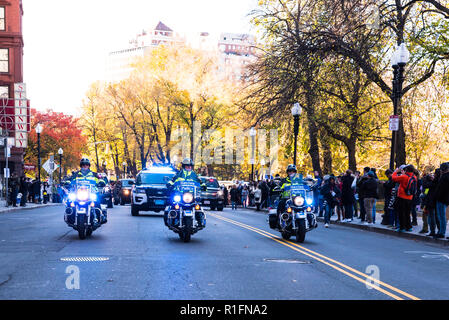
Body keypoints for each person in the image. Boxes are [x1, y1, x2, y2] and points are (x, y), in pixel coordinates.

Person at [166, 158, 206, 226]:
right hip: (180, 194)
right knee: (173, 204)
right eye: (187, 166)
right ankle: (172, 219)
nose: (189, 167)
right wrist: (169, 184)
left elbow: (200, 182)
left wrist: (203, 186)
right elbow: (172, 180)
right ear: (184, 166)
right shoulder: (179, 174)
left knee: (197, 205)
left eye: (190, 166)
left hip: (191, 195)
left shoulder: (194, 175)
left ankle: (200, 220)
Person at [69, 158, 107, 224]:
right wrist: (67, 183)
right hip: (78, 193)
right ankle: (69, 216)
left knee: (97, 202)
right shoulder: (76, 174)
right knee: (70, 202)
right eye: (83, 164)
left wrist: (102, 182)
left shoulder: (94, 174)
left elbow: (102, 179)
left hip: (92, 192)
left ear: (89, 165)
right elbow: (69, 180)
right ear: (81, 165)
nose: (85, 166)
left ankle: (100, 217)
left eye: (86, 164)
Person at [392, 164, 417, 232]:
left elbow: (394, 178)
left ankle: (402, 227)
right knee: (407, 212)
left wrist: (395, 171)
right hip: (410, 197)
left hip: (402, 196)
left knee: (401, 213)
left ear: (406, 170)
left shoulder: (404, 177)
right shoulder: (414, 177)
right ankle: (409, 227)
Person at [433, 162, 449, 239]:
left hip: (441, 199)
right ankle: (441, 232)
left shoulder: (444, 177)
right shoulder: (445, 177)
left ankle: (441, 232)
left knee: (441, 217)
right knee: (442, 217)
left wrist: (436, 196)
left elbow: (441, 190)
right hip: (445, 199)